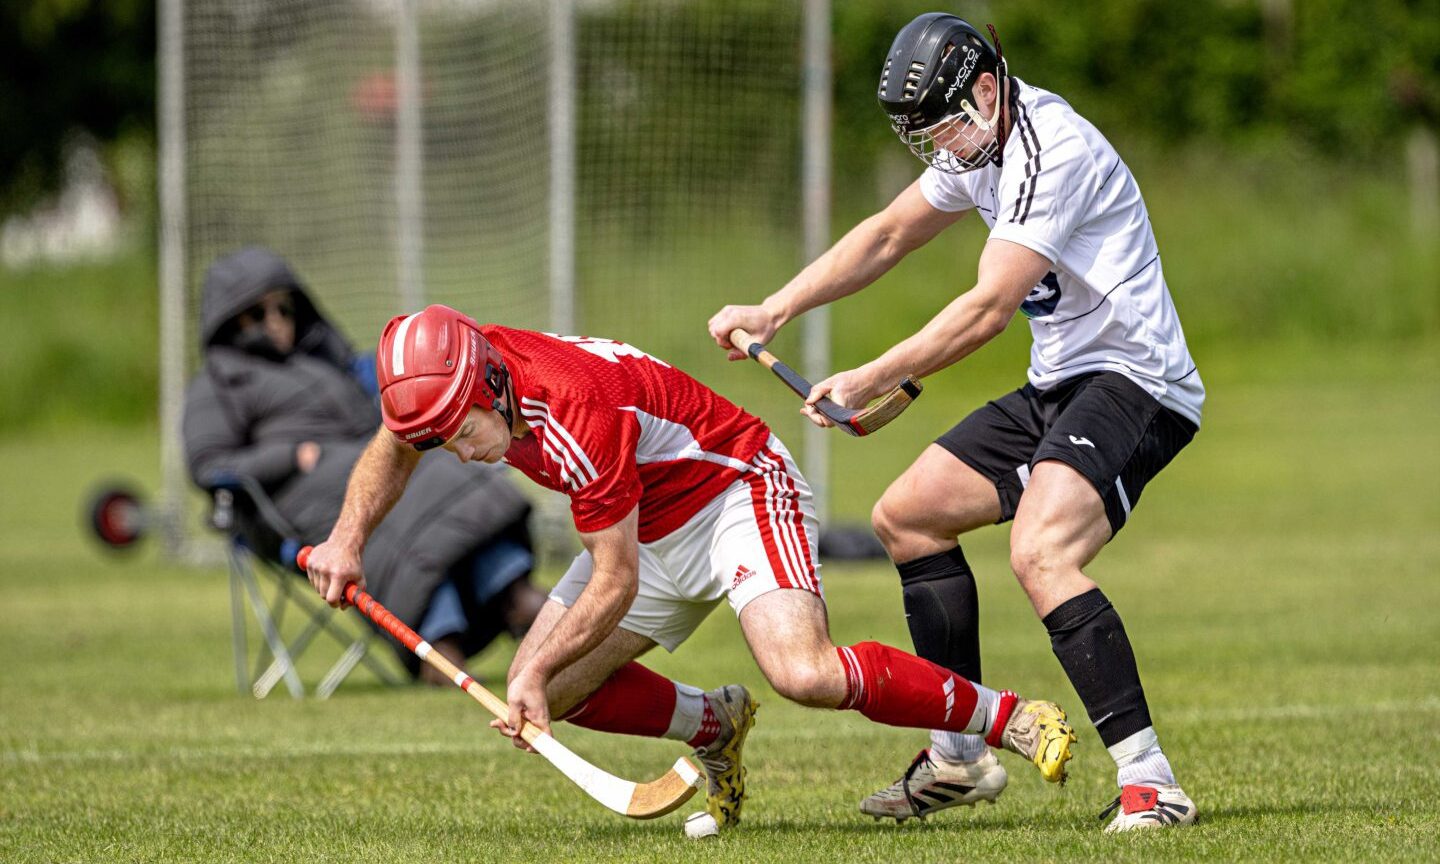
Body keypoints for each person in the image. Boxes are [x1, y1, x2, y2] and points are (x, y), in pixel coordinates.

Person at [302, 305, 1076, 830]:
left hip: (736, 490)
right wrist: (347, 539)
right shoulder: (460, 375)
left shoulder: (574, 412)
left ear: (493, 386)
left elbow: (615, 581)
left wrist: (530, 667)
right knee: (557, 691)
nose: (460, 453)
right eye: (442, 439)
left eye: (462, 432)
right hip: (644, 517)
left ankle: (1009, 717)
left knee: (802, 671)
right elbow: (398, 440)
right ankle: (716, 726)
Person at [708, 13, 1203, 833]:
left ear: (987, 89)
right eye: (925, 131)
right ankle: (958, 756)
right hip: (1061, 383)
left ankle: (1153, 783)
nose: (940, 143)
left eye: (944, 123)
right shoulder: (979, 141)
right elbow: (887, 234)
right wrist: (775, 307)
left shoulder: (1051, 150)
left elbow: (987, 309)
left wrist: (871, 375)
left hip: (1138, 381)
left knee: (1041, 550)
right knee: (907, 516)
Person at [183, 247, 546, 685]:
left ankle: (514, 593)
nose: (277, 320)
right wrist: (291, 455)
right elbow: (209, 464)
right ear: (231, 322)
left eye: (285, 307)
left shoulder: (322, 359)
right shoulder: (218, 384)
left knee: (437, 466)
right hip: (295, 497)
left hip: (363, 456)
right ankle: (438, 639)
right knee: (387, 508)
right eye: (259, 313)